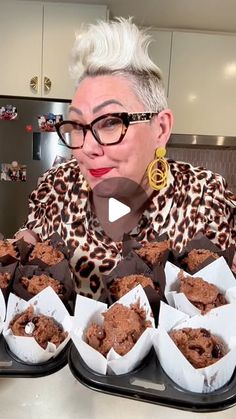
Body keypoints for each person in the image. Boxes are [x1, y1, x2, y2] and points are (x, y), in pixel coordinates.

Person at [15, 18, 236, 298]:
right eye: (77, 127)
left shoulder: (204, 199)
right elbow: (28, 239)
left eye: (109, 123)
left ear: (161, 128)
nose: (86, 149)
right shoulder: (57, 185)